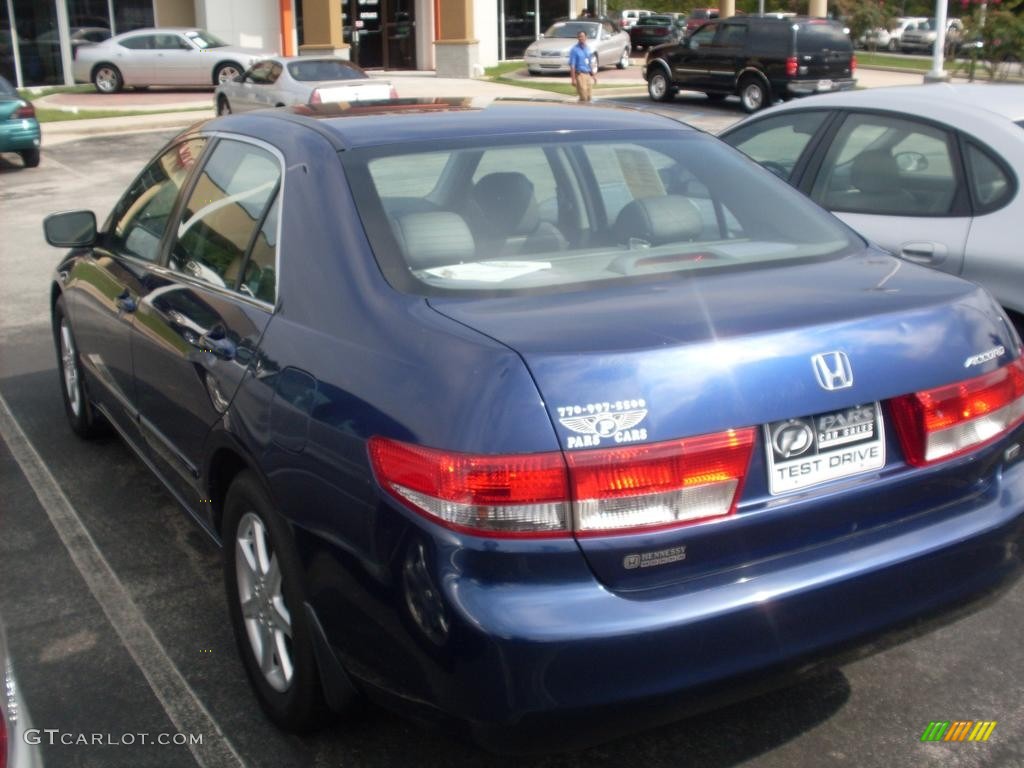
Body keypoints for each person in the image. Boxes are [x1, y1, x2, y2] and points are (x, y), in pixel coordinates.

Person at [569, 30, 597, 102]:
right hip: (580, 74)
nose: (581, 38)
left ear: (586, 37)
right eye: (579, 37)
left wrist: (593, 75)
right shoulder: (574, 50)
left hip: (587, 74)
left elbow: (589, 63)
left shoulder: (588, 49)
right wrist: (573, 79)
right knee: (583, 96)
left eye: (583, 36)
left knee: (589, 96)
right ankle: (580, 110)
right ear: (578, 38)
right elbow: (572, 65)